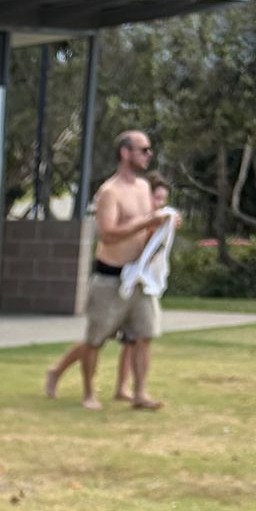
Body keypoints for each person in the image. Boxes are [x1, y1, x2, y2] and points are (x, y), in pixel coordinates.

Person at [45, 127, 164, 408]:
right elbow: (108, 233)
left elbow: (147, 229)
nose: (149, 154)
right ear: (125, 153)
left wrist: (163, 226)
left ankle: (140, 393)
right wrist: (146, 222)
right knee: (96, 339)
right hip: (109, 278)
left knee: (144, 336)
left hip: (138, 276)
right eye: (143, 150)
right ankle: (86, 392)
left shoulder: (143, 187)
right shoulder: (110, 192)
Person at [113, 174, 179, 409]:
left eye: (163, 199)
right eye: (156, 198)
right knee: (97, 339)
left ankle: (131, 390)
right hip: (127, 282)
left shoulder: (157, 220)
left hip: (142, 285)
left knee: (137, 338)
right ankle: (57, 371)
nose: (160, 204)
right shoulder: (135, 220)